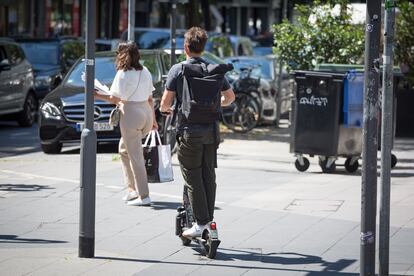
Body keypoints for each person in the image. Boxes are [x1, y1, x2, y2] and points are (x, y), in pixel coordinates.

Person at [160, 27, 235, 237]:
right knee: (208, 175)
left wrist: (165, 109)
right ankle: (209, 221)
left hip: (188, 131)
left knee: (192, 177)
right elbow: (230, 98)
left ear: (186, 47)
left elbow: (166, 102)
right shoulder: (213, 69)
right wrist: (216, 104)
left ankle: (201, 224)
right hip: (212, 131)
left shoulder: (179, 69)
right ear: (203, 47)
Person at [94, 41, 157, 206]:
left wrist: (96, 94)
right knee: (124, 149)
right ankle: (131, 189)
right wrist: (154, 121)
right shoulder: (146, 71)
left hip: (131, 113)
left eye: (118, 53)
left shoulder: (122, 73)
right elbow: (151, 98)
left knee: (136, 156)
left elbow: (115, 99)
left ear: (123, 55)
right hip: (146, 113)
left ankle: (144, 196)